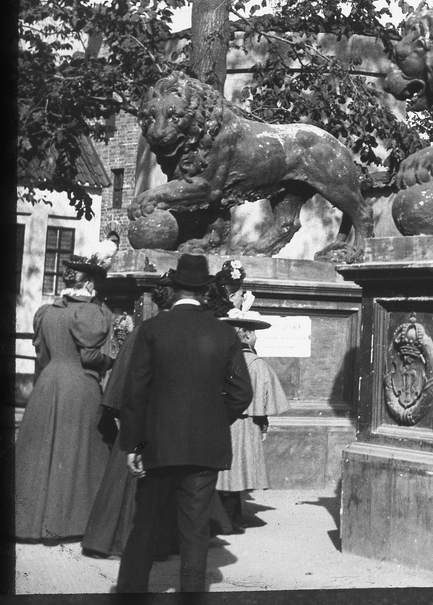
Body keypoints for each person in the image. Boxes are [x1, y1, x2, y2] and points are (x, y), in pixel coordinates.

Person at [114, 253, 252, 595]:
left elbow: (135, 393)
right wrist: (215, 421)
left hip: (158, 445)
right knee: (195, 530)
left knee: (145, 524)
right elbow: (241, 392)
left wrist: (134, 445)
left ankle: (131, 593)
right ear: (206, 291)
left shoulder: (152, 329)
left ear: (173, 289)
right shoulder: (224, 334)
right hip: (206, 448)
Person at [82, 275, 232, 559]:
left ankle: (119, 539)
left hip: (142, 425)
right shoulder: (180, 332)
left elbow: (122, 382)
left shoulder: (145, 331)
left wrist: (121, 414)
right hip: (171, 428)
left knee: (132, 482)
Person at [13, 250, 114, 541]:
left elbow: (42, 354)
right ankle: (69, 522)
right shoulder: (89, 312)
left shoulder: (47, 312)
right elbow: (91, 355)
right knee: (76, 452)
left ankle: (33, 523)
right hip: (79, 385)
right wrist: (110, 363)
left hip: (48, 382)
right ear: (90, 285)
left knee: (42, 452)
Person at [215, 297, 289, 531]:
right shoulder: (257, 365)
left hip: (226, 421)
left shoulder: (222, 362)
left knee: (228, 474)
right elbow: (265, 400)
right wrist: (263, 423)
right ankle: (228, 520)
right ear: (246, 335)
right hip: (246, 425)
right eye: (253, 333)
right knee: (237, 473)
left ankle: (231, 517)